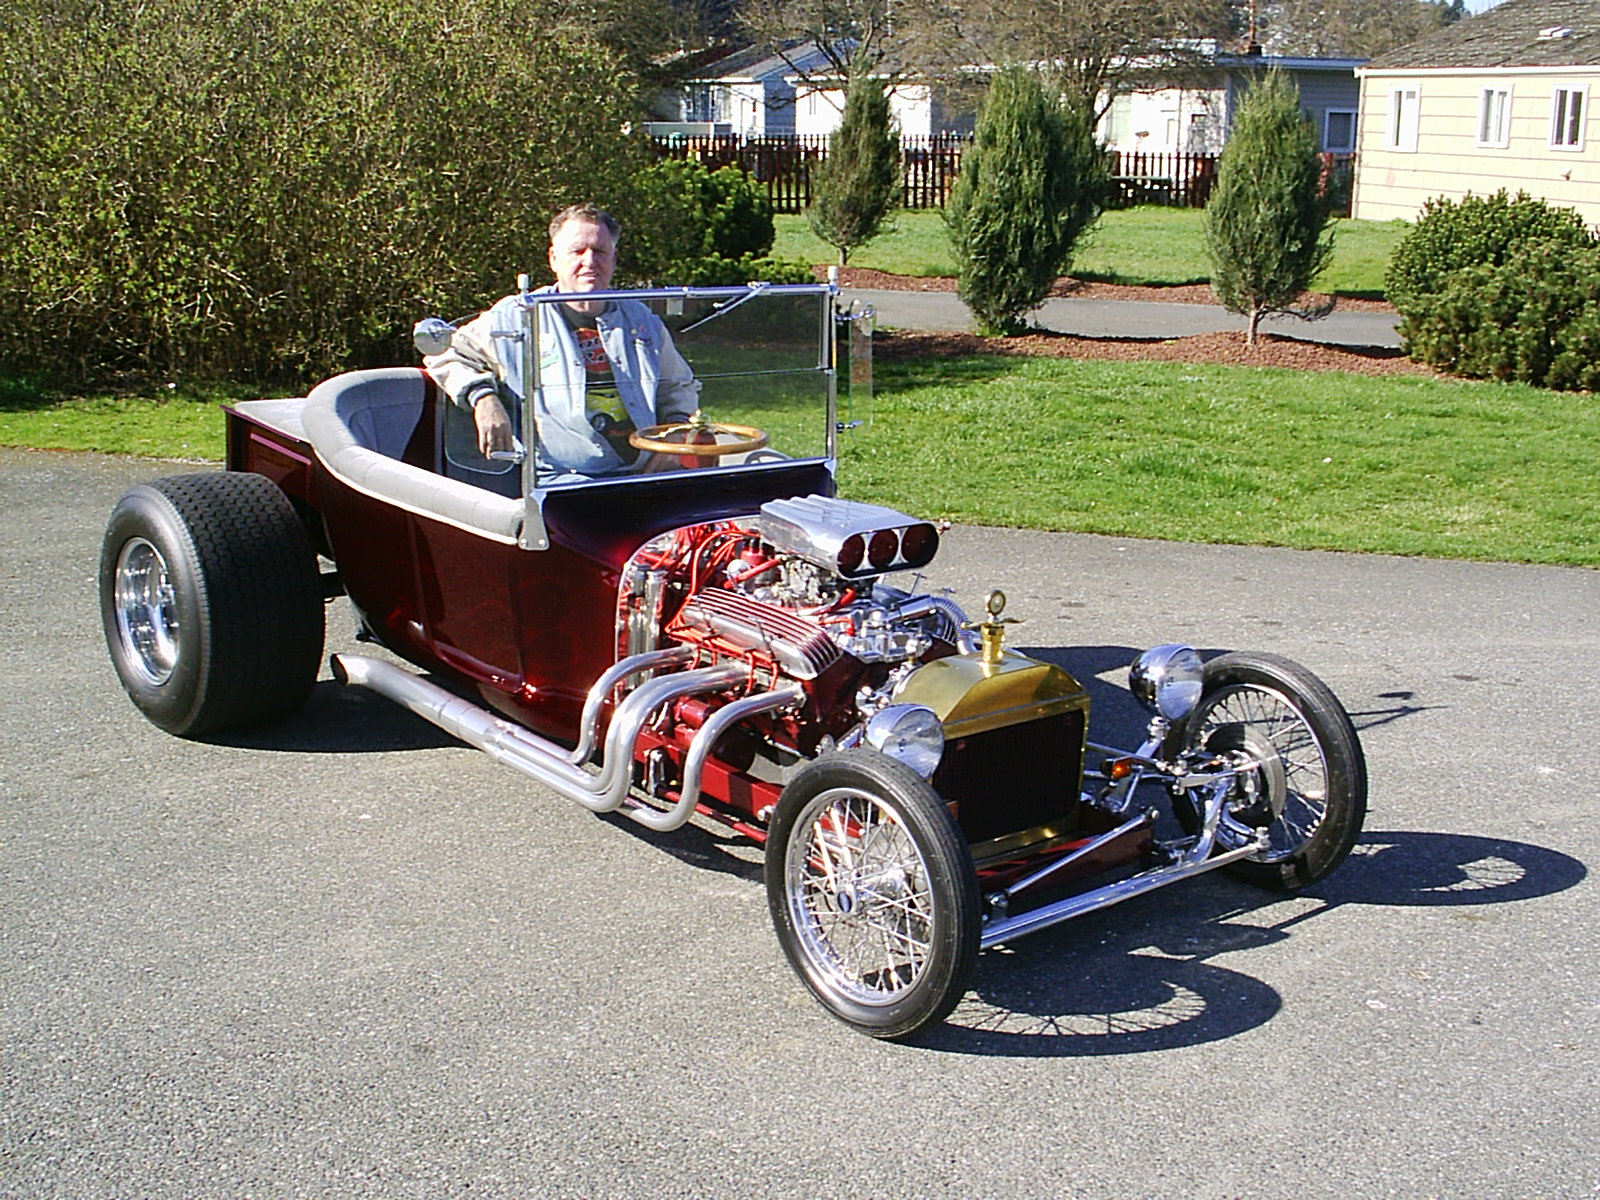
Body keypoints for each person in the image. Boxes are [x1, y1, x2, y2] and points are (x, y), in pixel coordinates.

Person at [423, 203, 700, 481]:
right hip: (561, 478)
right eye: (578, 251)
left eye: (600, 251)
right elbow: (445, 353)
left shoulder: (640, 319)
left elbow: (678, 386)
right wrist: (483, 398)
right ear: (554, 259)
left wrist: (673, 440)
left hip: (640, 473)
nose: (589, 261)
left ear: (614, 260)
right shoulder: (516, 316)